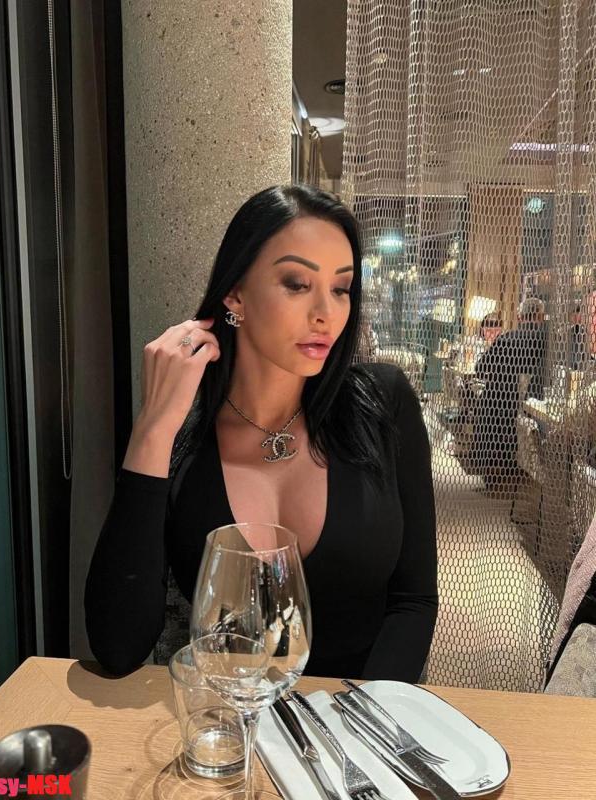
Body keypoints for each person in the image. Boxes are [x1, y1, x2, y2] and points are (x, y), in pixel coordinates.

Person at [85, 185, 438, 681]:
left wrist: (364, 711)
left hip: (358, 714)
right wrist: (153, 428)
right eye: (297, 283)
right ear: (235, 294)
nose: (326, 313)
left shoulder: (383, 404)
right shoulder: (184, 441)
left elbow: (414, 601)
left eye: (341, 288)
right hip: (227, 715)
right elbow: (118, 647)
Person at [471, 297, 548, 489]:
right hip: (532, 404)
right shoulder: (548, 341)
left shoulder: (506, 339)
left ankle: (491, 471)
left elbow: (479, 369)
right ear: (540, 317)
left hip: (498, 404)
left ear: (519, 317)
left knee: (483, 402)